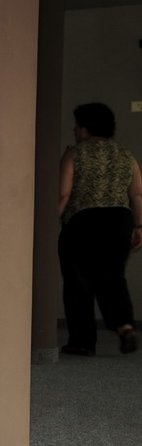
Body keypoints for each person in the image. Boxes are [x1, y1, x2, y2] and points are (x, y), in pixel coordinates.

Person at [58, 102, 142, 357]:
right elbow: (137, 194)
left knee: (78, 282)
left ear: (85, 128)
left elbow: (63, 193)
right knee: (113, 277)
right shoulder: (126, 155)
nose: (74, 130)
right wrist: (139, 226)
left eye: (77, 125)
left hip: (83, 221)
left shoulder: (74, 153)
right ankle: (125, 326)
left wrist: (50, 221)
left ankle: (82, 342)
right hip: (119, 220)